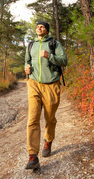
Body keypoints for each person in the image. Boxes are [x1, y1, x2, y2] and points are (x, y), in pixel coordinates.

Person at [24, 21, 68, 169]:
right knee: (32, 119)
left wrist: (49, 56)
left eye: (42, 26)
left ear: (47, 30)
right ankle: (33, 155)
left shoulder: (54, 44)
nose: (39, 28)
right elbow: (27, 62)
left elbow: (64, 61)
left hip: (51, 84)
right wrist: (27, 68)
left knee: (50, 118)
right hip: (34, 84)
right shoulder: (31, 45)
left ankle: (48, 140)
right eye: (37, 26)